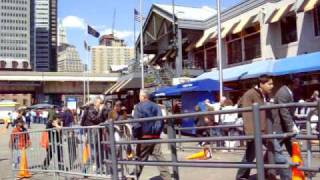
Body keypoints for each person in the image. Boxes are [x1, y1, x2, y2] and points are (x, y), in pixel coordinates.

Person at [236, 74, 289, 180]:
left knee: (271, 151)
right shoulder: (250, 94)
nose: (272, 86)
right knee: (252, 155)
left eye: (272, 84)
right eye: (269, 84)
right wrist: (251, 134)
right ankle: (286, 177)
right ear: (261, 84)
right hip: (256, 131)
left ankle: (242, 176)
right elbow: (246, 114)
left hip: (265, 130)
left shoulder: (264, 95)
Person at [130, 89, 171, 180]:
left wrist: (134, 136)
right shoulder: (156, 106)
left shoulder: (138, 107)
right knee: (159, 158)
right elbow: (160, 121)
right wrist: (157, 132)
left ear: (143, 96)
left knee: (140, 159)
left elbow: (136, 124)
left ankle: (133, 177)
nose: (139, 97)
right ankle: (167, 177)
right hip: (155, 137)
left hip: (144, 137)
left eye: (140, 96)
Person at [272, 77, 300, 157]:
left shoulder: (288, 91)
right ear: (291, 82)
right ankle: (266, 167)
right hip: (281, 126)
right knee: (275, 151)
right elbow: (284, 111)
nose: (298, 84)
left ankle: (299, 168)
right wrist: (291, 126)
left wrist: (294, 116)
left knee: (293, 148)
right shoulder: (283, 92)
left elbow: (287, 111)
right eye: (297, 82)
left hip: (285, 126)